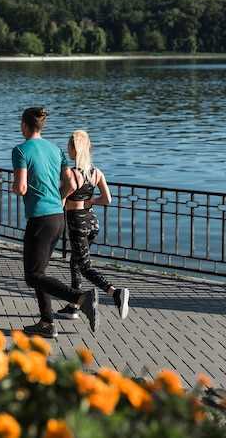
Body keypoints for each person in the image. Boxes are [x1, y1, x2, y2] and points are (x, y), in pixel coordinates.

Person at [12, 107, 99, 339]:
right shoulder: (56, 149)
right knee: (39, 272)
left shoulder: (21, 150)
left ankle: (81, 298)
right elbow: (71, 182)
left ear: (24, 125)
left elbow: (20, 188)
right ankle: (47, 322)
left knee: (32, 276)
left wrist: (17, 188)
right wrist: (57, 197)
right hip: (58, 217)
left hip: (39, 218)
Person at [58, 130, 129, 320]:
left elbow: (62, 198)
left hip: (77, 223)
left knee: (85, 266)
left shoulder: (73, 174)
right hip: (92, 222)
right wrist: (91, 202)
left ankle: (115, 293)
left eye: (69, 146)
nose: (68, 149)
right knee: (75, 261)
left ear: (74, 149)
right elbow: (108, 199)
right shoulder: (96, 173)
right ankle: (74, 306)